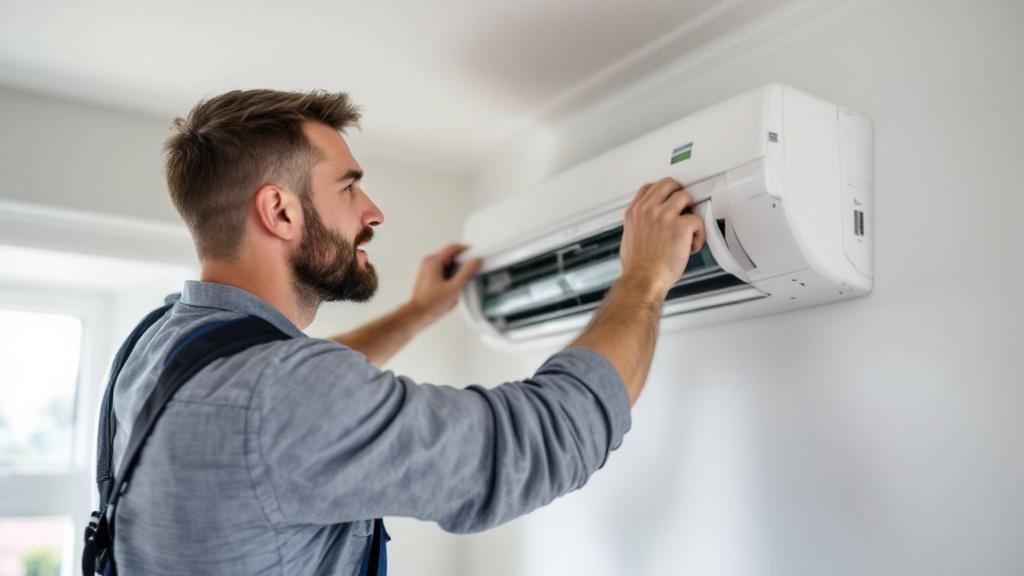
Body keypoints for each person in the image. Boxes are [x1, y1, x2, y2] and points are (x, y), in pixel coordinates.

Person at [105, 89, 705, 575]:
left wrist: (416, 314)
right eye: (348, 186)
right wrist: (646, 276)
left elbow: (280, 392)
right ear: (280, 212)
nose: (373, 212)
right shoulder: (278, 398)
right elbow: (536, 441)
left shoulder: (160, 343)